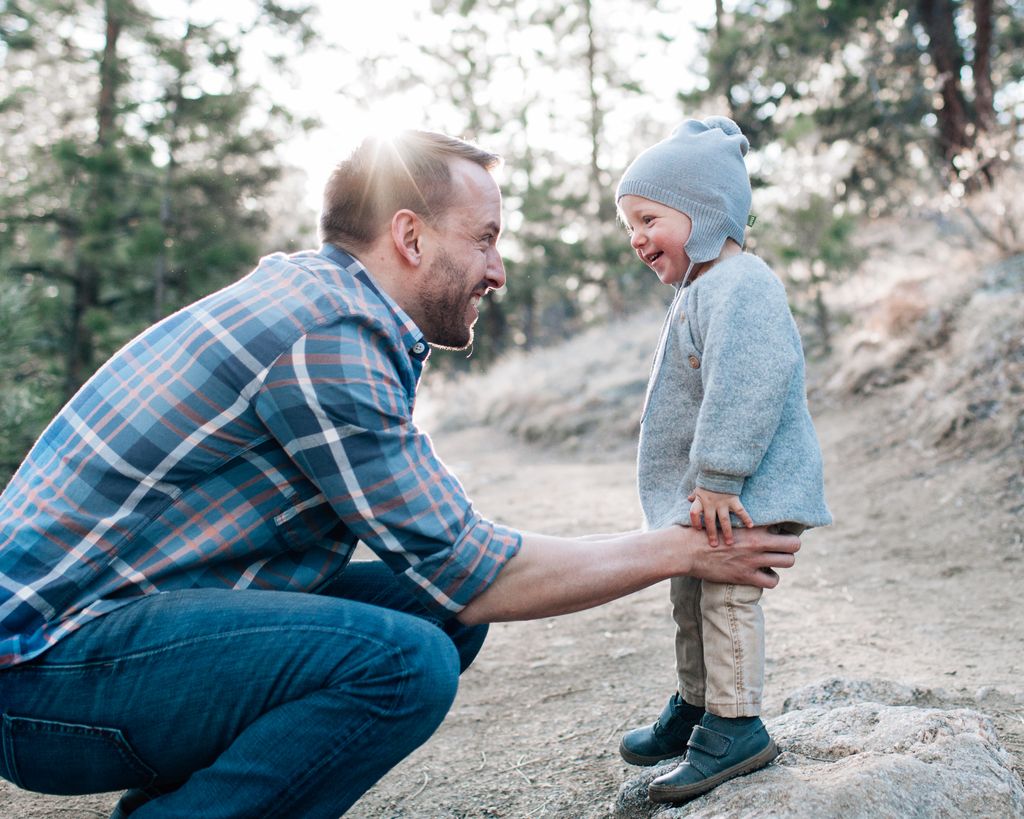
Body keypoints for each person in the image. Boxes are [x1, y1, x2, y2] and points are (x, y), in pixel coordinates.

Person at [0, 130, 801, 818]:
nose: (498, 270)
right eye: (485, 238)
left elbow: (450, 562)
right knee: (404, 661)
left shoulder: (323, 308)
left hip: (105, 632)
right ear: (411, 237)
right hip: (41, 676)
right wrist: (684, 548)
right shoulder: (327, 337)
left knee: (441, 616)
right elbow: (479, 568)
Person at [614, 117, 832, 803]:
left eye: (649, 217)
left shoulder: (743, 282)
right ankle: (699, 700)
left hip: (740, 493)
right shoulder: (701, 290)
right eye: (630, 227)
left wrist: (717, 473)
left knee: (725, 600)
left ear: (704, 210)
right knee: (690, 593)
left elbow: (750, 382)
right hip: (708, 496)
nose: (638, 238)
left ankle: (736, 724)